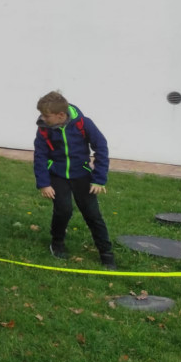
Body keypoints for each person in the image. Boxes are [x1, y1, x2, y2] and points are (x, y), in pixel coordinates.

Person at [33, 91, 115, 268]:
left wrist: (99, 179)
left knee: (93, 215)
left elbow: (101, 147)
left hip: (82, 175)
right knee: (63, 210)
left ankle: (106, 253)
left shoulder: (83, 124)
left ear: (61, 115)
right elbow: (40, 155)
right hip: (57, 175)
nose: (43, 118)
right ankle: (57, 243)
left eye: (46, 115)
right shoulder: (43, 129)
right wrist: (44, 183)